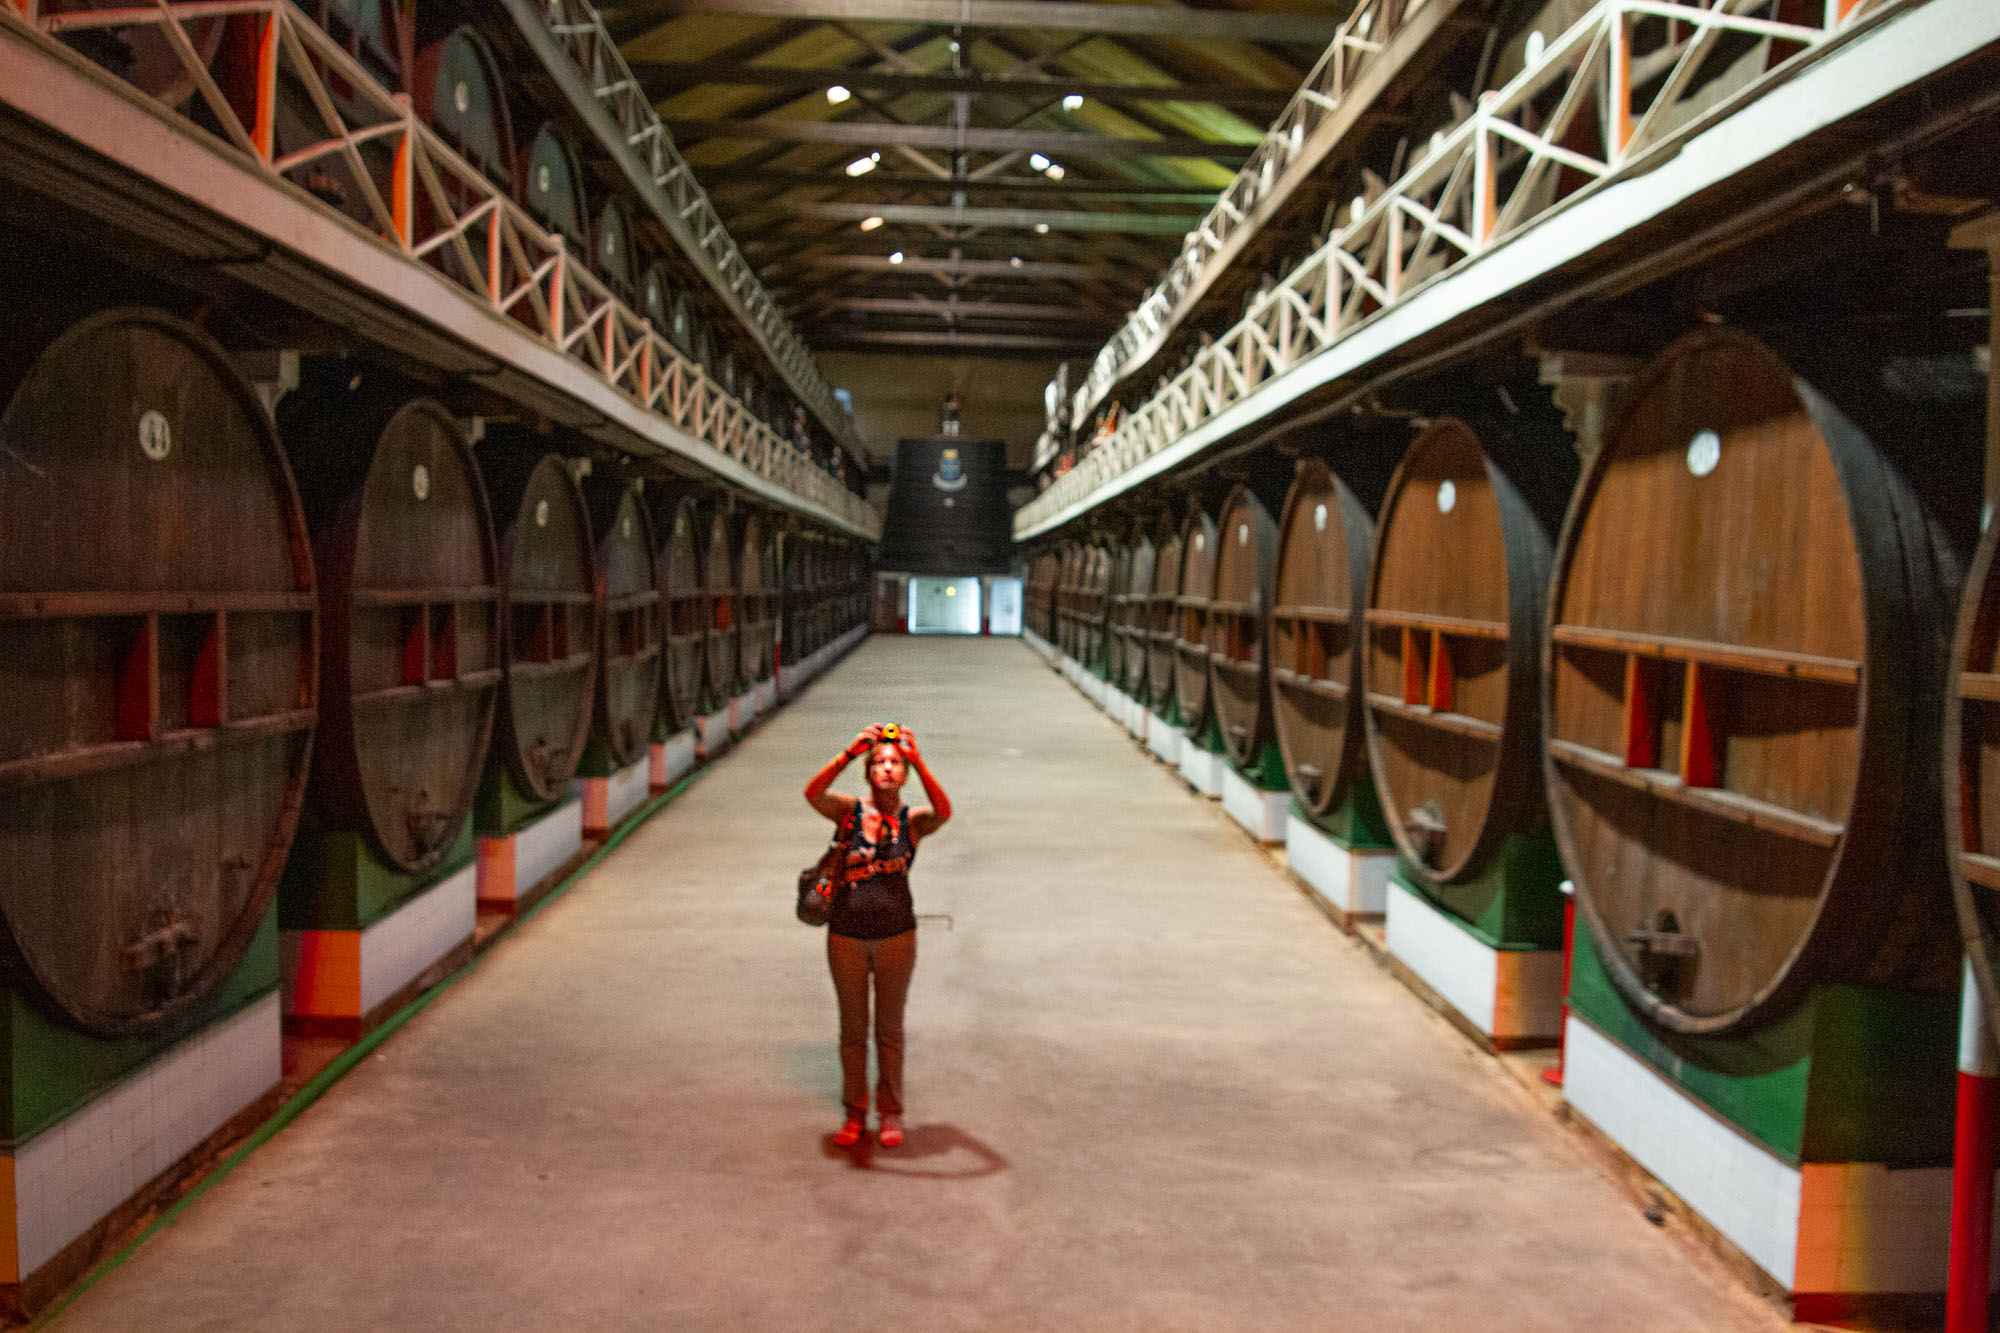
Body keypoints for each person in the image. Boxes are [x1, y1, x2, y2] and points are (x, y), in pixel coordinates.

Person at [803, 723, 952, 1148]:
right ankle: (854, 1111)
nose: (887, 769)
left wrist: (920, 761)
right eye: (880, 763)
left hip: (896, 936)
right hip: (846, 935)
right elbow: (813, 794)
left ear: (903, 775)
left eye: (895, 764)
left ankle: (890, 1111)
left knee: (889, 1031)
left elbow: (943, 811)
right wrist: (848, 753)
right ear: (869, 773)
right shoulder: (848, 812)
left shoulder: (912, 821)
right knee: (853, 1030)